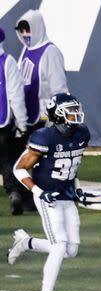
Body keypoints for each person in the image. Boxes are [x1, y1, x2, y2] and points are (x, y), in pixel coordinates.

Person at [6, 93, 87, 291]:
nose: (75, 115)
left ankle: (27, 243)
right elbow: (19, 169)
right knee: (60, 245)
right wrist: (39, 192)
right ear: (59, 115)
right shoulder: (44, 137)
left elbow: (72, 165)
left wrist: (78, 188)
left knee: (70, 250)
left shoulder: (81, 133)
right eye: (70, 111)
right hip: (46, 196)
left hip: (66, 194)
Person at [13, 10, 68, 213]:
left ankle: (56, 197)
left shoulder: (50, 52)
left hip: (44, 116)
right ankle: (30, 198)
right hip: (27, 116)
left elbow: (59, 88)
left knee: (45, 161)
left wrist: (55, 119)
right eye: (21, 29)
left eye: (27, 28)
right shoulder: (25, 51)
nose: (25, 33)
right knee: (27, 160)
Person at [0, 27, 28, 215]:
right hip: (3, 122)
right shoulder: (7, 62)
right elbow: (16, 95)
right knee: (7, 159)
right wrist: (22, 123)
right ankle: (14, 194)